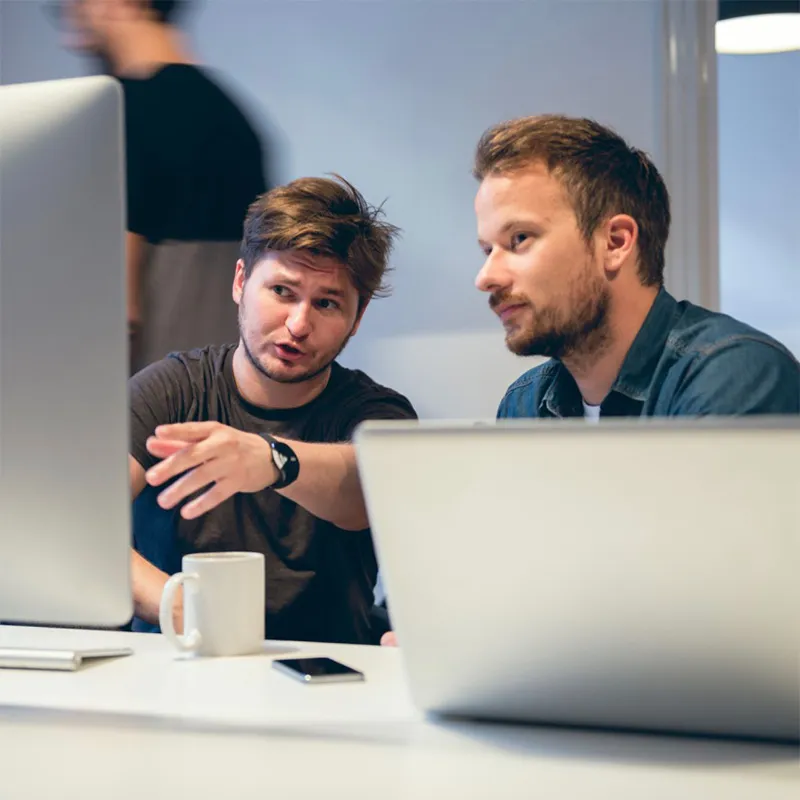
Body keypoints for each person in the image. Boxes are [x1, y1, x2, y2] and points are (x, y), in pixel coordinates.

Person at [379, 113, 800, 646]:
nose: (486, 276)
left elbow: (703, 616)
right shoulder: (529, 402)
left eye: (520, 239)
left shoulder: (734, 374)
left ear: (616, 242)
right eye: (488, 249)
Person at [130, 175, 417, 645]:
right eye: (282, 292)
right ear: (241, 281)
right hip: (176, 665)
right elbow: (80, 527)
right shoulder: (170, 391)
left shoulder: (377, 414)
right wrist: (177, 603)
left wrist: (272, 460)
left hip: (331, 678)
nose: (299, 324)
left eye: (326, 303)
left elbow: (367, 487)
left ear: (357, 319)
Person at [62, 0, 267, 373]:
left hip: (144, 406)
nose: (70, 15)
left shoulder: (118, 114)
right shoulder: (238, 121)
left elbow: (117, 310)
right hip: (224, 398)